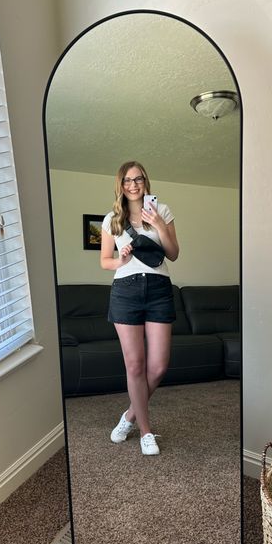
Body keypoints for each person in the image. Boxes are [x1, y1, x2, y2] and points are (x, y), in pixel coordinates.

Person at [100, 161, 179, 455]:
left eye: (138, 179)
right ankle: (146, 432)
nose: (133, 185)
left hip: (158, 289)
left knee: (157, 366)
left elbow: (173, 253)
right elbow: (105, 261)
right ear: (120, 185)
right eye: (127, 181)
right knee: (134, 365)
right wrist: (121, 259)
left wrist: (158, 224)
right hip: (126, 290)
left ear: (146, 181)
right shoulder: (112, 220)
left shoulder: (162, 211)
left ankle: (130, 416)